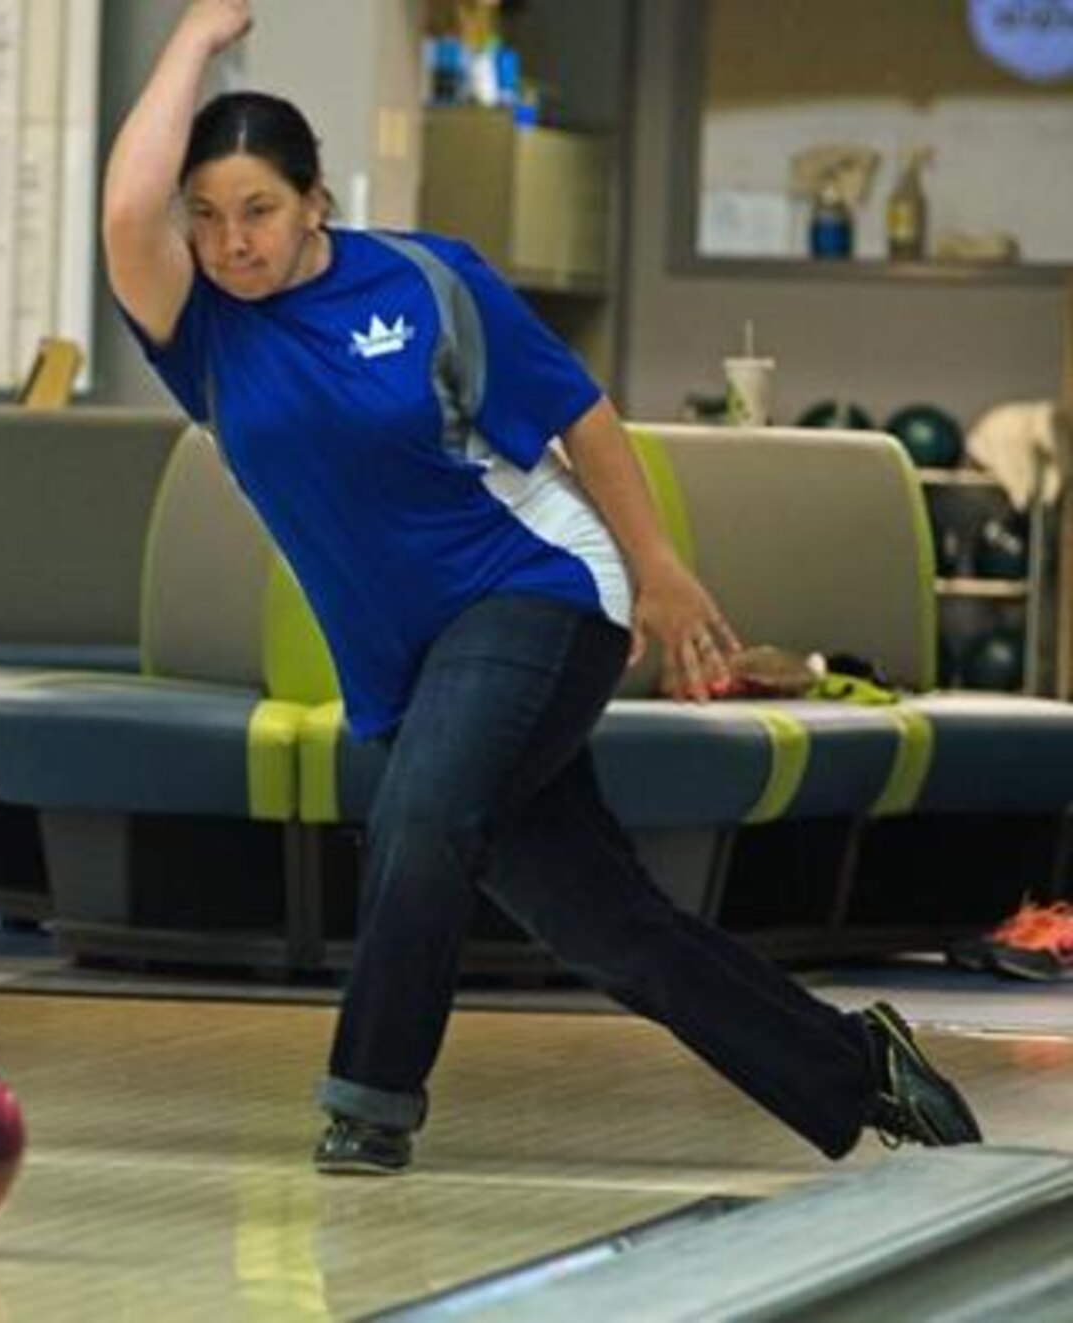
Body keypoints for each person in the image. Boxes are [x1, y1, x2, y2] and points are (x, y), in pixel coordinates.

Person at [102, 0, 982, 1175]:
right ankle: (856, 1065)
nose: (230, 241)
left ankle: (368, 1105)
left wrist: (659, 571)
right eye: (206, 217)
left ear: (316, 201)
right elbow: (123, 209)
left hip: (537, 590)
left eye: (258, 209)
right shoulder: (201, 333)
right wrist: (195, 37)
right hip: (411, 668)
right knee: (606, 928)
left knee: (419, 818)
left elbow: (576, 414)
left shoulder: (424, 284)